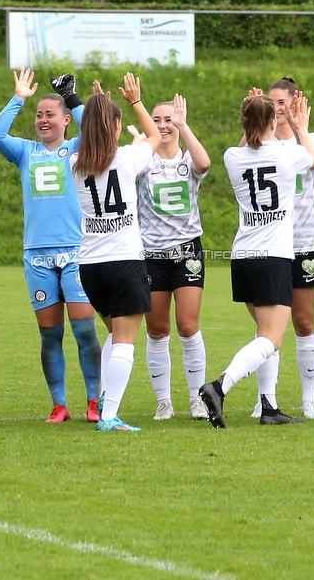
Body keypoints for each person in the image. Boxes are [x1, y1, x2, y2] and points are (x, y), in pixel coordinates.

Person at [199, 92, 314, 428]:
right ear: (273, 122)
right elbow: (313, 158)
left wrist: (253, 116)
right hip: (272, 256)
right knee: (272, 338)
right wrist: (300, 126)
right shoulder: (288, 154)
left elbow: (245, 145)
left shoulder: (231, 157)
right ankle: (219, 386)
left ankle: (269, 407)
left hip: (243, 256)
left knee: (263, 334)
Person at [0, 69, 103, 423]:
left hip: (75, 252)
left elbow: (98, 131)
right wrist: (19, 97)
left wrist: (71, 97)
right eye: (39, 115)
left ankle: (95, 400)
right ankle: (59, 404)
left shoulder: (76, 147)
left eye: (49, 114)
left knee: (84, 330)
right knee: (50, 335)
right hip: (37, 255)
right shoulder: (26, 151)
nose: (42, 120)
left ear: (66, 120)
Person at [71, 73, 161, 433]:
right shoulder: (126, 158)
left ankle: (104, 405)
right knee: (125, 341)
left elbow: (93, 135)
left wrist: (96, 110)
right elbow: (154, 136)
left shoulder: (75, 163)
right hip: (124, 260)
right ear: (116, 126)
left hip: (90, 265)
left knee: (114, 335)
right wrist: (136, 102)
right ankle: (108, 416)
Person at [244, 78, 314, 421]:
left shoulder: (309, 138)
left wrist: (298, 127)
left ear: (296, 103)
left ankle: (309, 399)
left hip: (304, 241)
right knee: (267, 327)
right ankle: (267, 399)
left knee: (304, 321)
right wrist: (251, 121)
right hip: (267, 245)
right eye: (272, 103)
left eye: (283, 102)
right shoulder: (255, 145)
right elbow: (240, 156)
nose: (278, 109)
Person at [137, 94, 211, 420]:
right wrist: (141, 142)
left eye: (169, 119)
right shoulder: (143, 161)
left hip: (187, 252)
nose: (163, 125)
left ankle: (198, 399)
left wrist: (184, 124)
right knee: (157, 328)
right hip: (151, 254)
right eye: (157, 120)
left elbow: (205, 164)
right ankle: (163, 401)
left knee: (188, 324)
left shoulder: (188, 159)